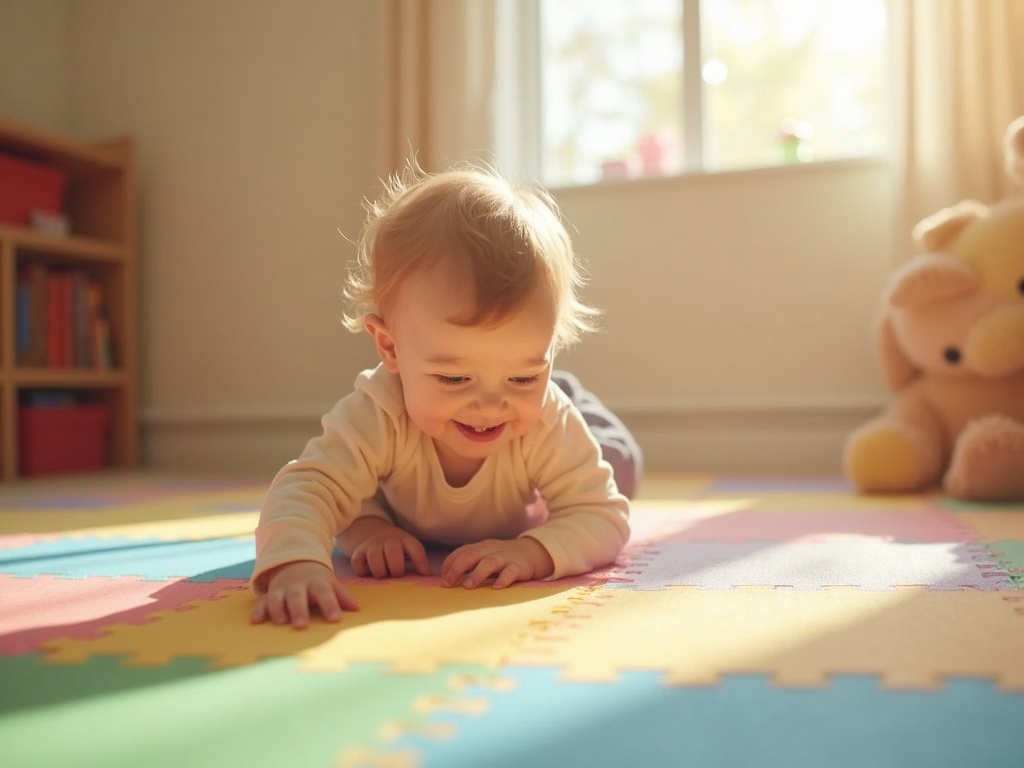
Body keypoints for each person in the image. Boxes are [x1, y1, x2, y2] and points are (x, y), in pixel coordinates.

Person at [250, 161, 642, 629]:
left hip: (543, 464)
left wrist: (531, 551)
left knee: (619, 465)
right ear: (390, 348)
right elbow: (306, 488)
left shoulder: (542, 419)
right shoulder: (379, 411)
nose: (490, 405)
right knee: (356, 497)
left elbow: (603, 516)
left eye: (522, 376)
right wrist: (298, 562)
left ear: (551, 347)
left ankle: (567, 390)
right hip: (401, 506)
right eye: (454, 379)